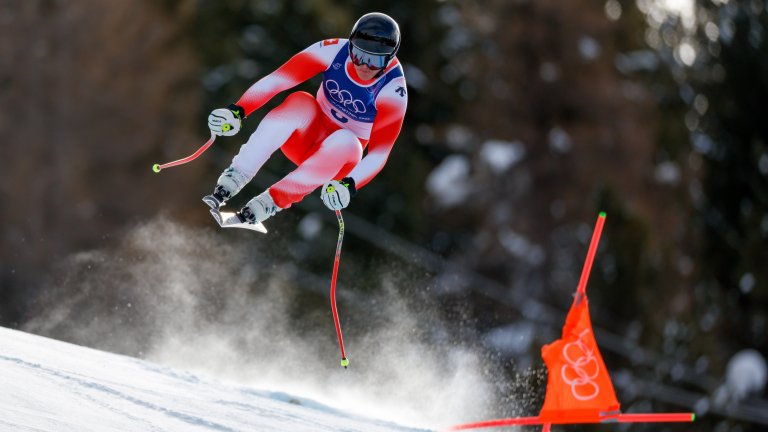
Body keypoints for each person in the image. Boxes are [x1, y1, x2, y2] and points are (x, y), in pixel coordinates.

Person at [203, 12, 408, 230]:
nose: (365, 66)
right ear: (350, 46)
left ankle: (268, 203)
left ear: (389, 59)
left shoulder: (393, 90)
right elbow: (279, 79)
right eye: (358, 55)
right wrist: (238, 110)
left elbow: (379, 153)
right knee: (300, 100)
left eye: (375, 61)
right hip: (303, 138)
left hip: (336, 162)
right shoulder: (332, 51)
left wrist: (349, 185)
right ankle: (235, 176)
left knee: (348, 141)